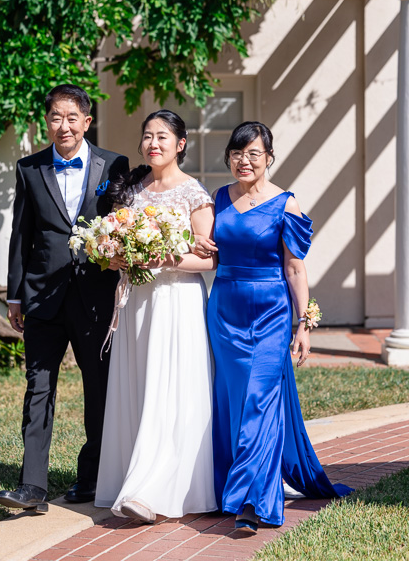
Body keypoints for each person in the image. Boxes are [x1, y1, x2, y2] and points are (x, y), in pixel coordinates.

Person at [198, 121, 352, 532]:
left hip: (271, 313)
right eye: (236, 152)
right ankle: (235, 489)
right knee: (234, 400)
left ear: (269, 158)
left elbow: (295, 268)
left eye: (253, 154)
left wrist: (303, 325)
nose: (243, 161)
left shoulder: (287, 204)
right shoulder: (219, 199)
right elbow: (211, 254)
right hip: (225, 310)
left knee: (259, 401)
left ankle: (252, 503)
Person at [0, 84, 129, 512]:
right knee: (38, 387)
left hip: (95, 296)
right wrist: (15, 295)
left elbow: (124, 225)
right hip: (42, 296)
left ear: (87, 122)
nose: (64, 126)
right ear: (47, 121)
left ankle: (91, 477)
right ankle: (32, 487)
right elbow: (22, 234)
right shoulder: (29, 168)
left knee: (99, 388)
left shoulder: (114, 164)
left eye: (73, 118)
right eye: (56, 117)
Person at [94, 110, 218, 524]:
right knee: (140, 385)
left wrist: (160, 258)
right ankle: (129, 475)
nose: (153, 144)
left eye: (163, 137)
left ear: (180, 144)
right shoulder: (132, 188)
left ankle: (155, 489)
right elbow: (115, 245)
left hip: (176, 301)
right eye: (147, 136)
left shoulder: (193, 193)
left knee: (171, 387)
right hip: (136, 303)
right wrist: (114, 255)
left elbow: (208, 260)